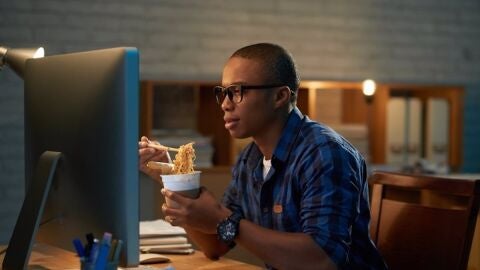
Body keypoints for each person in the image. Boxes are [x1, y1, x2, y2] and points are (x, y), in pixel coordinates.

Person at [138, 43, 387, 269]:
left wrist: (224, 220)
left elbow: (322, 260)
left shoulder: (325, 153)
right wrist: (174, 179)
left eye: (237, 91)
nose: (225, 104)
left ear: (280, 96)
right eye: (223, 92)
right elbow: (217, 245)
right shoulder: (250, 159)